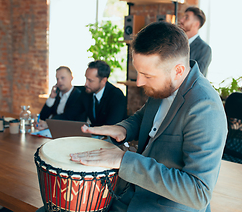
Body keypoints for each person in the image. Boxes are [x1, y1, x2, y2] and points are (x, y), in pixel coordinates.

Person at [70, 22, 228, 211]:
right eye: (138, 72)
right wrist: (123, 128)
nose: (139, 82)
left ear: (178, 70)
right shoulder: (166, 84)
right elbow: (144, 118)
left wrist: (123, 160)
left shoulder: (205, 108)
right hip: (130, 195)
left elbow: (198, 192)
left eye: (147, 75)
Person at [66, 60, 127, 127]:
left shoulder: (117, 97)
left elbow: (111, 126)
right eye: (86, 79)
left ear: (103, 81)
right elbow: (71, 114)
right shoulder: (86, 92)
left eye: (90, 80)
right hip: (96, 135)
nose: (86, 84)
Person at [178, 6, 212, 77]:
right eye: (183, 17)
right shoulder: (176, 43)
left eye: (186, 18)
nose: (181, 20)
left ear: (196, 24)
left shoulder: (205, 49)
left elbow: (197, 77)